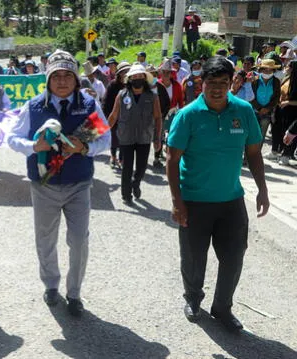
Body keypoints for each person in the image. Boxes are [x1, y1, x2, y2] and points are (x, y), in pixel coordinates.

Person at [166, 56, 269, 332]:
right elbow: (172, 160)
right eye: (212, 83)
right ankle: (193, 298)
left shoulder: (244, 110)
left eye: (224, 83)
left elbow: (255, 153)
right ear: (202, 83)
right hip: (194, 200)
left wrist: (262, 189)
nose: (217, 89)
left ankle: (222, 308)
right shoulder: (188, 115)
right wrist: (177, 203)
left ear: (232, 83)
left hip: (231, 200)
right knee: (193, 256)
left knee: (234, 255)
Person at [8, 50, 110, 317]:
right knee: (45, 239)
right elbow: (12, 138)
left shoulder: (88, 105)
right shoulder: (33, 106)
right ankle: (51, 284)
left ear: (76, 80)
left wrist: (85, 147)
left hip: (79, 185)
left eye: (68, 75)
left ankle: (74, 292)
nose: (62, 81)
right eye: (57, 76)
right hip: (44, 185)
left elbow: (106, 140)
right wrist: (34, 145)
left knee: (79, 240)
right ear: (48, 79)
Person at [108, 64, 162, 204]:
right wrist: (103, 132)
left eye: (140, 76)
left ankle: (136, 183)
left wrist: (157, 138)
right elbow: (114, 116)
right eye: (134, 77)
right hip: (126, 136)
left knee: (142, 167)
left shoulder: (153, 96)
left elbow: (157, 117)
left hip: (144, 137)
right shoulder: (121, 95)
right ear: (129, 79)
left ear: (145, 78)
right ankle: (126, 194)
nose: (137, 79)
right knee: (127, 167)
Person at [103, 61, 131, 169]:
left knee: (124, 140)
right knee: (114, 139)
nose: (126, 73)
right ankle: (113, 156)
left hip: (127, 118)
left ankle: (121, 159)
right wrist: (107, 116)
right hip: (114, 116)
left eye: (127, 71)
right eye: (124, 71)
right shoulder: (112, 85)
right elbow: (105, 102)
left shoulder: (131, 86)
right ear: (119, 73)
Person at [251, 59, 281, 154]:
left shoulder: (276, 82)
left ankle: (255, 156)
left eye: (270, 70)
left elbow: (276, 98)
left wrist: (267, 108)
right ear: (261, 69)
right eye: (265, 69)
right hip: (254, 111)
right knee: (251, 134)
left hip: (267, 113)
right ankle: (246, 156)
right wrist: (259, 108)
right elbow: (251, 96)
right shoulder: (254, 80)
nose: (267, 72)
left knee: (261, 135)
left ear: (273, 71)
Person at [274, 60, 297, 165]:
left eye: (288, 66)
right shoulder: (288, 78)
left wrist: (288, 102)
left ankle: (286, 155)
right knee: (282, 133)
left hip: (293, 113)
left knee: (291, 133)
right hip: (283, 110)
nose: (286, 68)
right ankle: (281, 153)